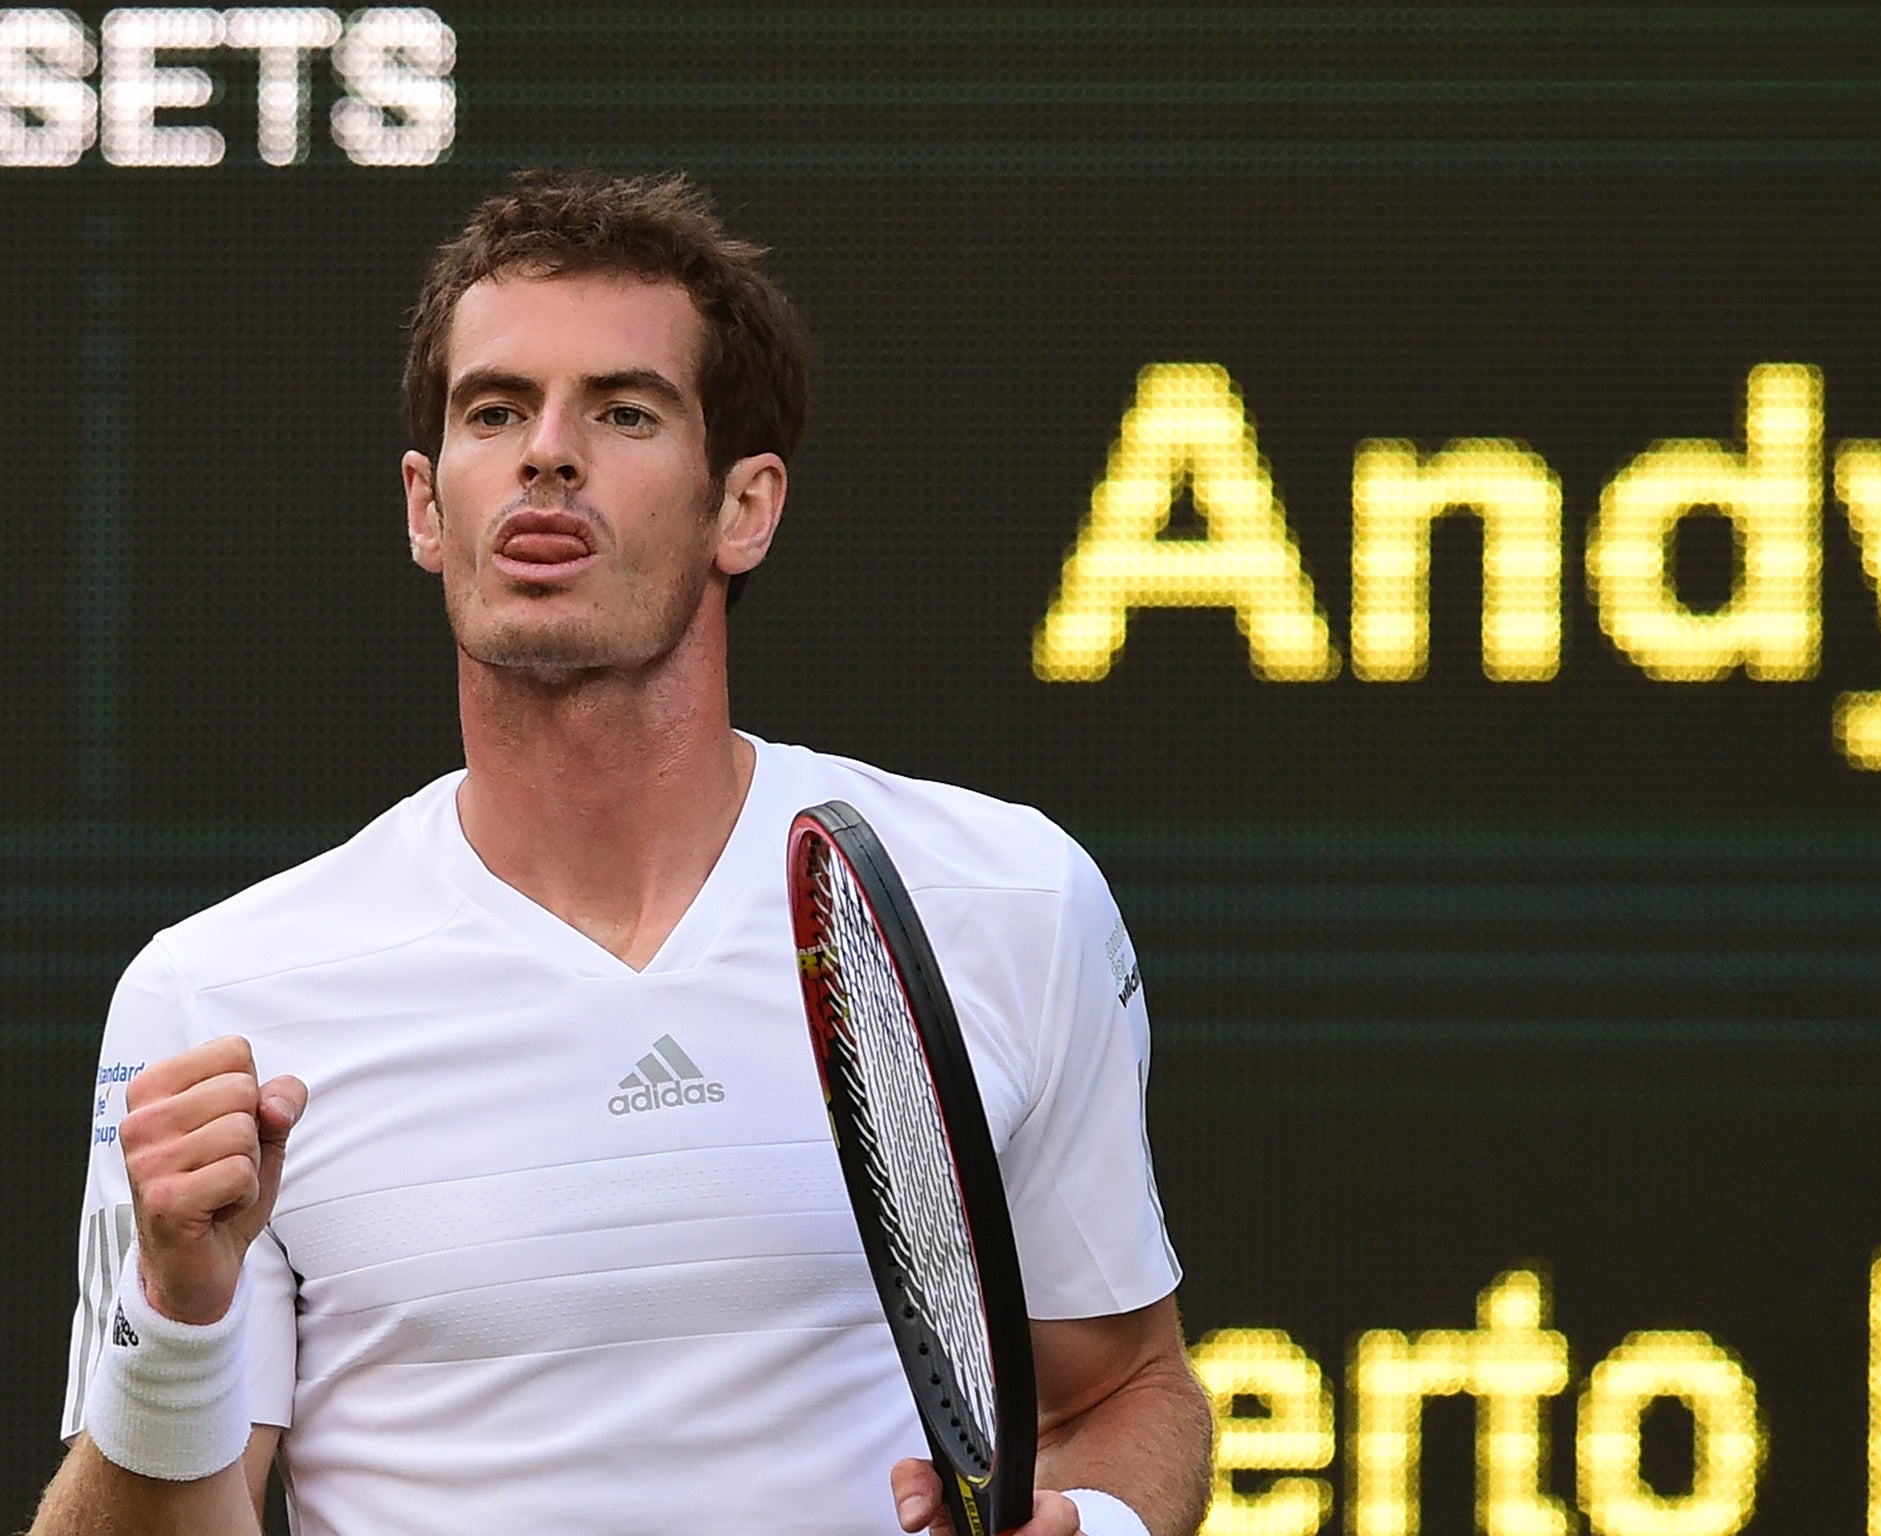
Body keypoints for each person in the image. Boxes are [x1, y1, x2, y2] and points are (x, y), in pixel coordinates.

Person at [29, 170, 1213, 1536]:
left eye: (623, 411)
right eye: (493, 412)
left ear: (745, 509)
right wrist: (175, 1323)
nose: (546, 453)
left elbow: (1123, 1387)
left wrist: (1098, 1529)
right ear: (427, 507)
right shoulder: (212, 996)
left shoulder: (1008, 899)